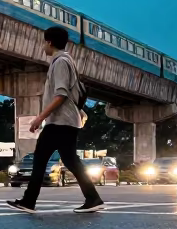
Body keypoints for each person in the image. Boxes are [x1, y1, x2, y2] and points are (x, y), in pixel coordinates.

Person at [6, 27, 104, 214]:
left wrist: (39, 118)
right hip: (65, 122)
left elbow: (60, 95)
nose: (43, 46)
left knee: (41, 159)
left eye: (44, 42)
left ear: (49, 42)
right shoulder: (66, 61)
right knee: (68, 160)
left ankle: (29, 202)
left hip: (60, 122)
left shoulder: (60, 62)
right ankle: (93, 198)